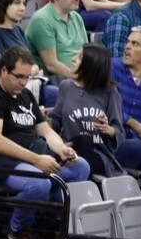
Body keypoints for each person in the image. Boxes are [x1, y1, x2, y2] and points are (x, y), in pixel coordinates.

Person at [0, 45, 90, 239]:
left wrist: (61, 150)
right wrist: (37, 160)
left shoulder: (25, 95)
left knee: (80, 167)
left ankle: (48, 223)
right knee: (38, 182)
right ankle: (19, 229)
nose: (23, 82)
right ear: (4, 71)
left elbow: (46, 132)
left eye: (27, 77)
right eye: (19, 76)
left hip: (30, 156)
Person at [50, 41, 128, 169]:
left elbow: (119, 132)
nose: (73, 59)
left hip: (99, 154)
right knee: (80, 143)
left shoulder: (109, 92)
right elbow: (55, 122)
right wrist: (45, 118)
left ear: (92, 64)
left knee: (85, 142)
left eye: (80, 57)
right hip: (69, 149)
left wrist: (108, 130)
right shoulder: (66, 87)